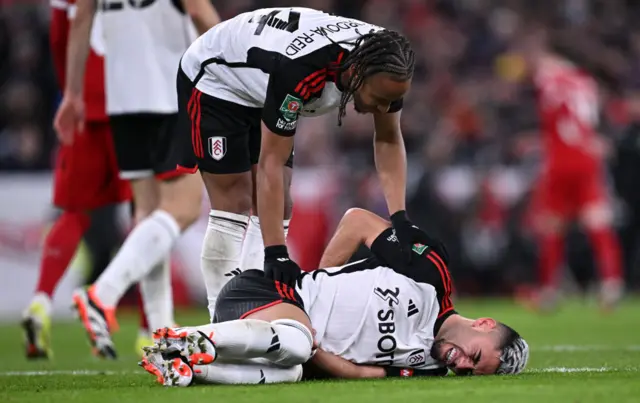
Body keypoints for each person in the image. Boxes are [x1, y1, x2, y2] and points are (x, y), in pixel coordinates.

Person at [173, 7, 426, 321]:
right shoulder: (303, 70)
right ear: (357, 71)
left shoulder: (387, 64)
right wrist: (276, 253)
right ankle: (221, 318)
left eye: (392, 100)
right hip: (216, 77)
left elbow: (388, 139)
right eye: (379, 98)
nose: (384, 107)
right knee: (234, 201)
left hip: (263, 79)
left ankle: (254, 309)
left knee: (282, 204)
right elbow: (271, 164)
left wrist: (399, 218)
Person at [140, 208, 529, 386]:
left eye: (467, 372)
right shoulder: (431, 275)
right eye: (473, 356)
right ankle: (191, 334)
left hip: (279, 346)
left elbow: (358, 373)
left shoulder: (425, 366)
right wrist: (320, 279)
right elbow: (357, 221)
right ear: (484, 324)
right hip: (271, 292)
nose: (458, 363)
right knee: (295, 343)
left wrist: (313, 351)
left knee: (292, 370)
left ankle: (190, 365)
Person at [54, 0, 220, 358]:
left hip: (123, 100)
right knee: (184, 209)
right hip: (172, 91)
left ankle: (161, 334)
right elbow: (200, 13)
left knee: (148, 215)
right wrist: (235, 70)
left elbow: (81, 17)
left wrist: (72, 93)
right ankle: (103, 294)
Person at [20, 0, 149, 359]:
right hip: (137, 104)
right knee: (149, 213)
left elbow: (62, 32)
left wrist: (72, 93)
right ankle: (148, 328)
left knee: (74, 212)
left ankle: (40, 300)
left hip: (86, 105)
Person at [518, 23, 624, 311]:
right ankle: (612, 283)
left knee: (551, 225)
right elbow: (585, 122)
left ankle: (550, 291)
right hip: (586, 155)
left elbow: (554, 118)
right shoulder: (586, 81)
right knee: (597, 221)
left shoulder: (548, 78)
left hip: (561, 160)